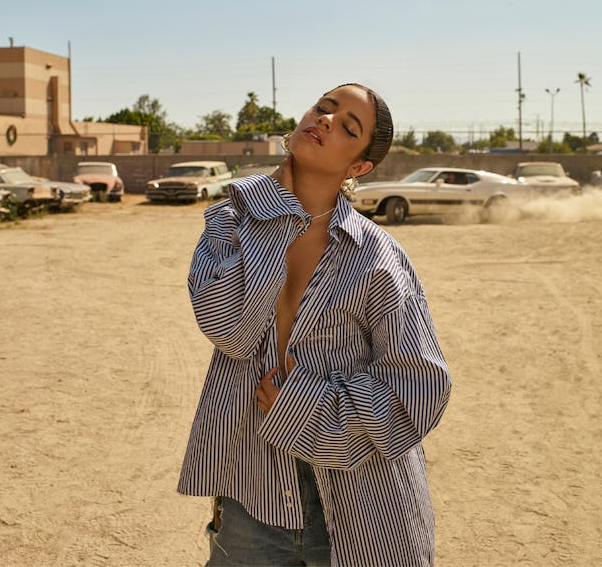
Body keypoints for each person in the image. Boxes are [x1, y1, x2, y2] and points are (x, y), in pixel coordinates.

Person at [178, 83, 452, 566]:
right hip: (252, 493)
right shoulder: (229, 221)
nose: (325, 119)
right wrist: (274, 210)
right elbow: (229, 329)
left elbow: (420, 386)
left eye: (348, 126)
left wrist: (304, 407)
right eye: (323, 107)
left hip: (363, 505)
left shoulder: (376, 257)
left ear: (359, 167)